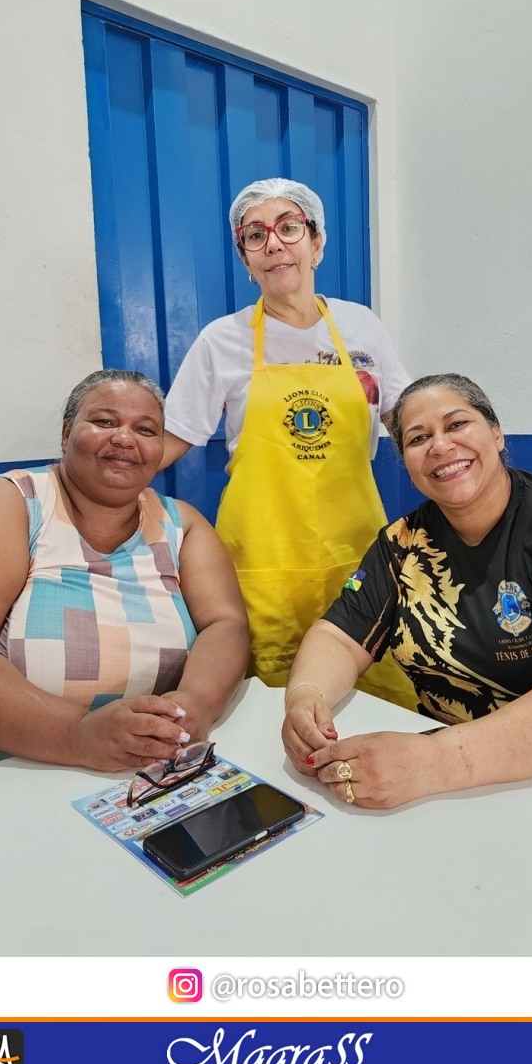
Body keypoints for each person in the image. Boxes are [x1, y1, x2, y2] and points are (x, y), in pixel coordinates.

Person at [283, 373, 532, 869]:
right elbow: (341, 637)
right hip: (474, 784)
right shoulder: (402, 543)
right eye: (417, 438)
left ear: (496, 433)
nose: (440, 445)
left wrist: (429, 761)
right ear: (406, 463)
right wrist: (307, 696)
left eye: (457, 424)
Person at [0, 370, 249, 818]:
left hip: (124, 789)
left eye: (145, 429)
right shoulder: (8, 503)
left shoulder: (183, 524)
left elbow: (224, 624)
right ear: (65, 433)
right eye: (104, 421)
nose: (124, 439)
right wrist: (78, 734)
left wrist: (198, 701)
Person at [161, 176, 413, 705]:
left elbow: (406, 419)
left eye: (289, 227)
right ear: (246, 258)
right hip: (261, 562)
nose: (273, 243)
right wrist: (84, 488)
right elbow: (172, 438)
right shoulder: (221, 341)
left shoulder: (361, 327)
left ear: (317, 243)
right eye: (254, 236)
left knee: (369, 689)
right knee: (267, 705)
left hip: (356, 554)